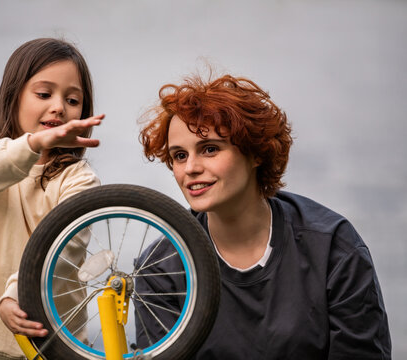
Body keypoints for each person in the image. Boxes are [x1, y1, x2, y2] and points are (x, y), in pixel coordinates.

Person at [136, 73, 391, 359]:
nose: (190, 168)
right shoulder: (158, 269)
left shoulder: (333, 248)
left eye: (209, 149)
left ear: (256, 154)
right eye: (179, 156)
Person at [0, 38, 102, 359]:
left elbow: (66, 246)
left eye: (73, 99)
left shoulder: (79, 178)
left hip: (56, 346)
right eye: (44, 94)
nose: (59, 107)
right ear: (14, 96)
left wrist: (15, 294)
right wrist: (32, 144)